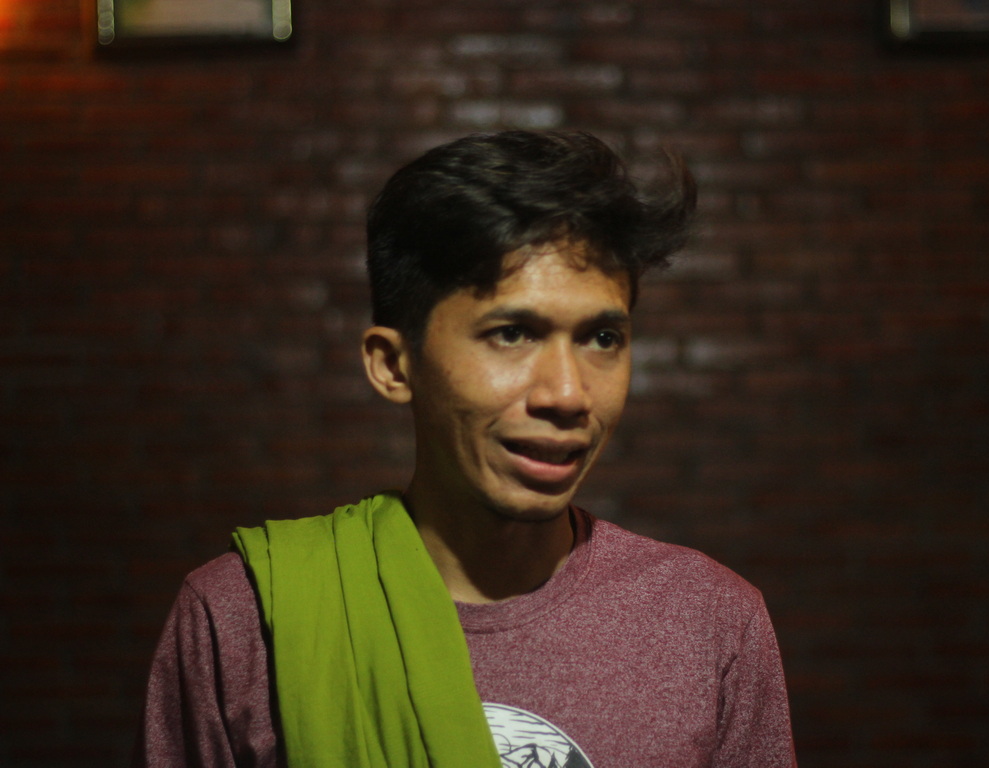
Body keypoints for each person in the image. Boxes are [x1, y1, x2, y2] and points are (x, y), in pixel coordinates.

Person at [133, 130, 796, 768]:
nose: (569, 394)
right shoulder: (248, 619)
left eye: (602, 339)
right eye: (512, 334)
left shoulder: (708, 621)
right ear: (393, 365)